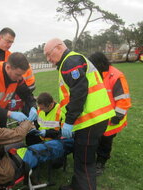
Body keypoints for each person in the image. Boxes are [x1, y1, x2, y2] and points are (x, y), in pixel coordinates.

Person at [0, 86, 73, 187]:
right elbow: (17, 135)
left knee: (20, 145)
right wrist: (28, 122)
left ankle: (31, 177)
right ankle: (70, 144)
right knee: (38, 150)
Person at [44, 38, 116, 190]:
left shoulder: (70, 62)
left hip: (90, 121)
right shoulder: (72, 60)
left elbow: (79, 92)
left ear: (58, 48)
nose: (48, 59)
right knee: (80, 157)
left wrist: (69, 121)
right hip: (91, 120)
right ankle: (76, 186)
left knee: (84, 163)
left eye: (49, 54)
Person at [89, 52, 131, 176]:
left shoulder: (116, 76)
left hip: (111, 118)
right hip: (98, 117)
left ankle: (101, 162)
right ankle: (95, 160)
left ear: (100, 64)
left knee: (106, 141)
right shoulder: (95, 74)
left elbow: (123, 99)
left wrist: (117, 116)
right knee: (96, 139)